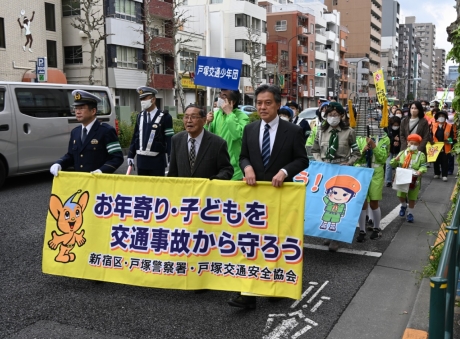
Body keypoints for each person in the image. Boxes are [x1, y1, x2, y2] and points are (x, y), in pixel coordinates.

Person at [228, 84, 309, 310]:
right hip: (254, 197)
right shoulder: (250, 129)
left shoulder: (292, 131)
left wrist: (284, 172)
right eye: (259, 103)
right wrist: (247, 168)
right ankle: (247, 293)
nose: (262, 107)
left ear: (277, 104)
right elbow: (243, 156)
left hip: (281, 196)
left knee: (276, 243)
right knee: (252, 243)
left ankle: (276, 286)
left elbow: (302, 160)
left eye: (268, 103)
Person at [311, 102, 361, 251]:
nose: (333, 117)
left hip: (342, 169)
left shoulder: (349, 132)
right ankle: (328, 234)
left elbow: (356, 152)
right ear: (325, 116)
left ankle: (336, 237)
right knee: (325, 203)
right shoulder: (320, 131)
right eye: (330, 115)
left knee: (339, 203)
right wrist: (320, 162)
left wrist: (349, 162)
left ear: (341, 116)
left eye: (336, 115)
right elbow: (315, 150)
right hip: (326, 169)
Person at [50, 90, 123, 176]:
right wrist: (59, 163)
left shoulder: (106, 131)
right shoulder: (75, 132)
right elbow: (71, 155)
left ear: (93, 111)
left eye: (81, 108)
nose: (77, 112)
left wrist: (102, 171)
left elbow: (117, 158)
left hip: (99, 181)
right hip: (80, 182)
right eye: (76, 108)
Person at [168, 104, 233, 180]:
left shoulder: (218, 143)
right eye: (186, 117)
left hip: (206, 190)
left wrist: (214, 181)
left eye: (193, 117)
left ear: (204, 120)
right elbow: (172, 172)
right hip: (184, 190)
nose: (189, 120)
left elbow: (227, 169)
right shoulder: (176, 140)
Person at [354, 117, 390, 242]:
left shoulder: (384, 138)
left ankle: (376, 228)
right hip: (361, 172)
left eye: (374, 121)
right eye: (368, 122)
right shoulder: (358, 138)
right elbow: (355, 157)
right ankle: (362, 230)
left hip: (376, 172)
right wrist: (362, 151)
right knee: (362, 202)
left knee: (374, 201)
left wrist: (374, 146)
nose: (371, 124)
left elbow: (383, 158)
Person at [127, 86, 174, 176]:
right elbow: (135, 137)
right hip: (141, 162)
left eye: (145, 99)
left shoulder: (165, 117)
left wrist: (170, 158)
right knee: (142, 189)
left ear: (153, 100)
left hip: (157, 162)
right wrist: (130, 155)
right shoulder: (139, 117)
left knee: (156, 189)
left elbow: (169, 140)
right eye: (141, 99)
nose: (142, 102)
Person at [205, 89, 249, 181]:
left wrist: (229, 113)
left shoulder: (243, 117)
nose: (220, 98)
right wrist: (206, 123)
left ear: (233, 101)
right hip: (216, 166)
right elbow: (206, 137)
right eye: (220, 95)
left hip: (234, 168)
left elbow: (237, 135)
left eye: (224, 96)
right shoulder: (216, 115)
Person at [391, 134, 427, 223]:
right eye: (411, 143)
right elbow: (392, 164)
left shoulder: (421, 155)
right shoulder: (402, 153)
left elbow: (423, 166)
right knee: (400, 195)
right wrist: (395, 160)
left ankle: (410, 213)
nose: (413, 145)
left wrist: (420, 171)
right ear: (408, 143)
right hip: (402, 177)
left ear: (418, 145)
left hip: (414, 178)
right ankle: (403, 205)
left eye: (416, 144)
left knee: (412, 197)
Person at [429, 110, 456, 181]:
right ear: (437, 118)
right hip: (436, 145)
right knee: (436, 160)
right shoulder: (433, 125)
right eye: (440, 116)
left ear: (445, 118)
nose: (441, 118)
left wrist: (449, 141)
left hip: (445, 146)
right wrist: (431, 141)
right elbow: (430, 134)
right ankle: (437, 173)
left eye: (443, 116)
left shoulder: (449, 126)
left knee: (445, 160)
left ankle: (444, 175)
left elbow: (452, 137)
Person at [385, 116, 401, 187]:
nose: (396, 127)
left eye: (397, 125)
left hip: (399, 149)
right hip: (389, 149)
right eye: (394, 125)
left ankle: (399, 180)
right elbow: (385, 139)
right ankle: (388, 181)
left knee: (400, 164)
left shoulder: (401, 129)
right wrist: (393, 140)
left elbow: (403, 137)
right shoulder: (387, 129)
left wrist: (398, 141)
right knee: (388, 164)